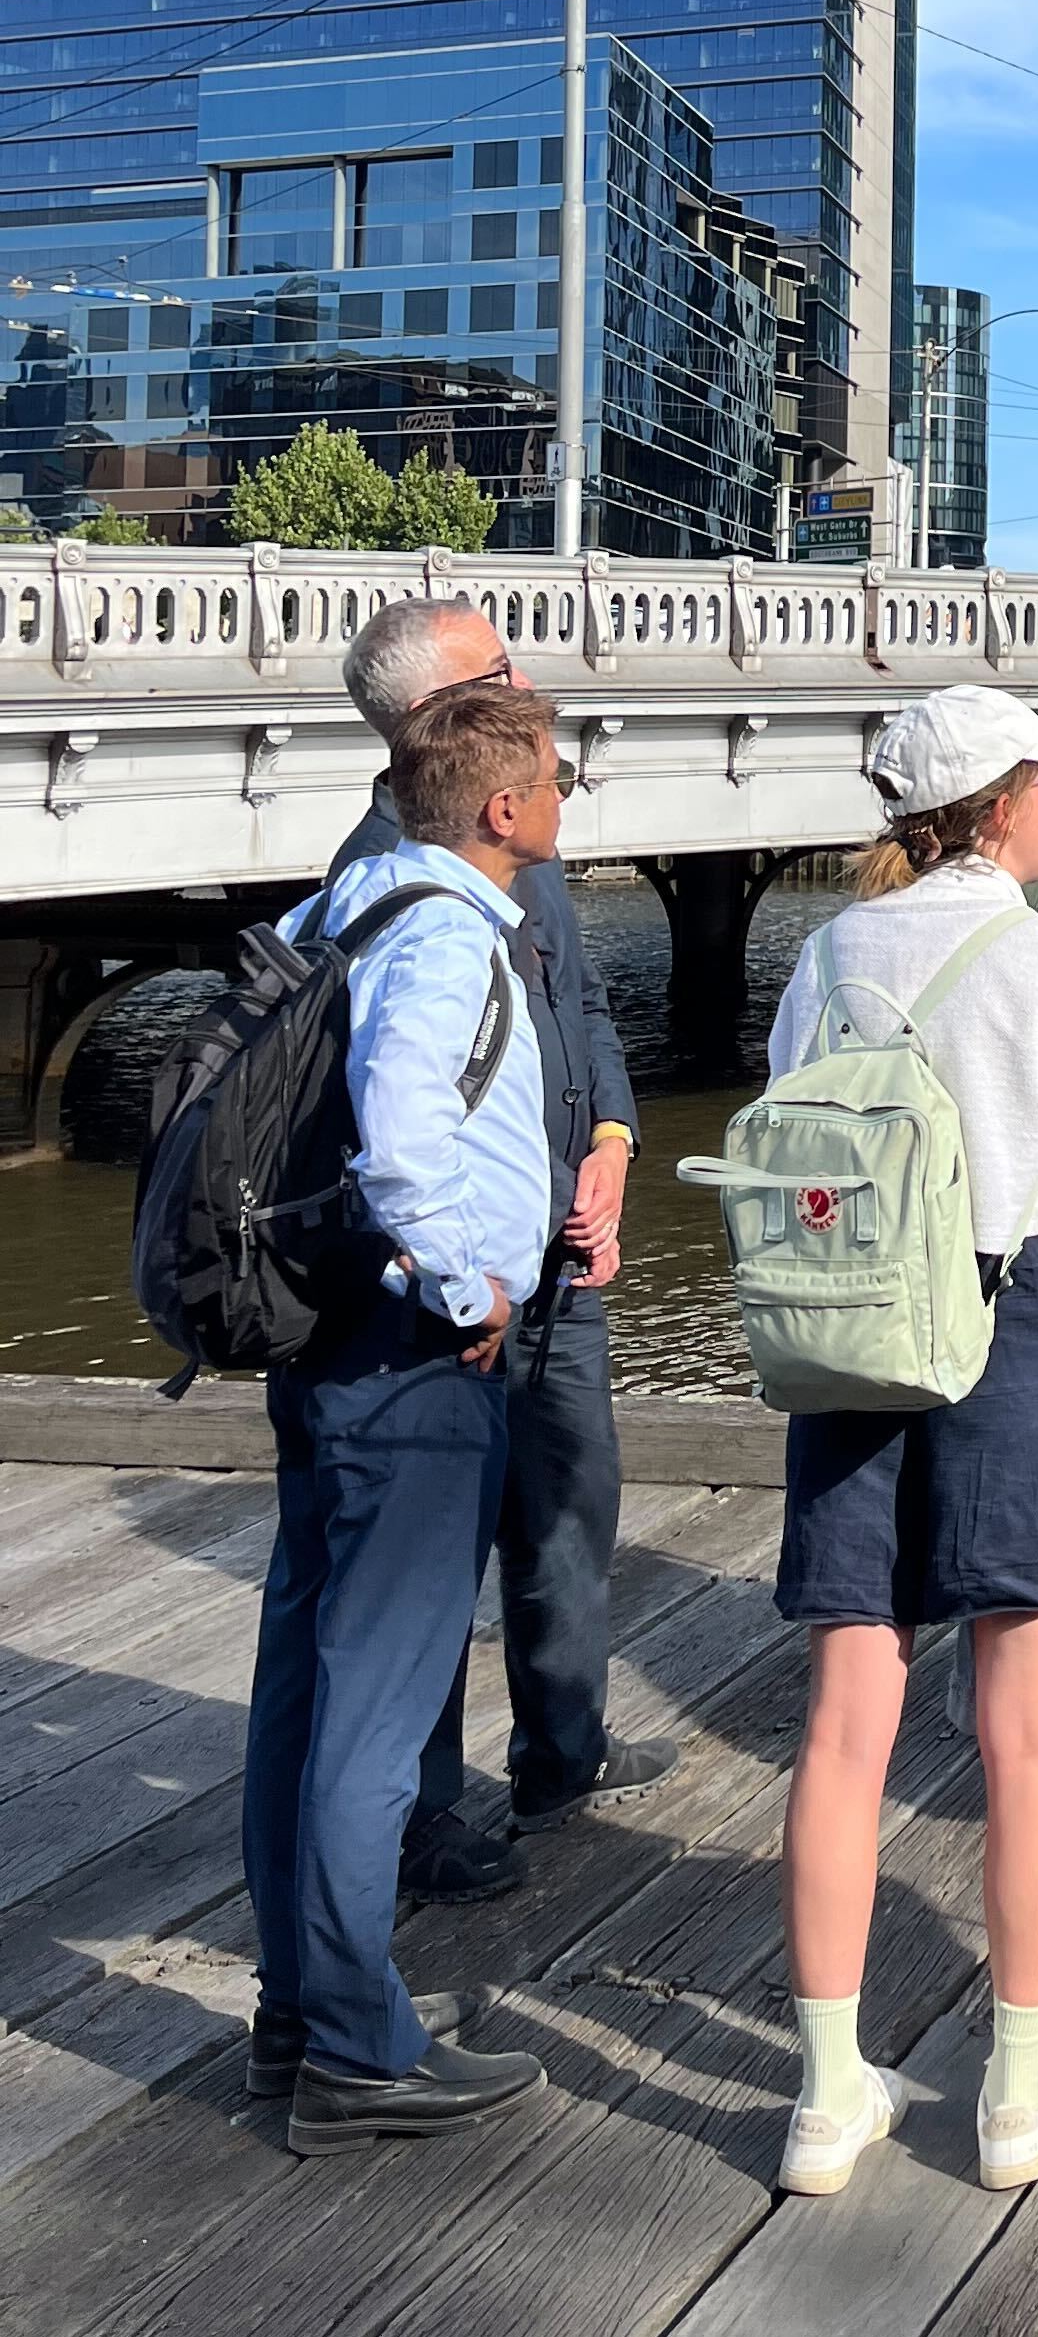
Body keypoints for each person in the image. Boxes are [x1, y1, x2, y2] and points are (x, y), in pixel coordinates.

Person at [765, 684, 1038, 2201]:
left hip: (857, 1324)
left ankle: (823, 2091)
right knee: (1028, 1725)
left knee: (846, 1721)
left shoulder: (829, 953)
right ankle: (1008, 2081)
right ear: (997, 808)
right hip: (1018, 1303)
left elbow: (794, 1121)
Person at [242, 676, 566, 2148]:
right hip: (406, 1361)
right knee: (374, 1711)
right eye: (556, 778)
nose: (566, 800)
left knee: (304, 1692)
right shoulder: (444, 931)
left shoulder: (343, 907)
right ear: (503, 809)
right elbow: (399, 1130)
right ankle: (360, 2051)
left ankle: (296, 2015)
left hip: (318, 1349)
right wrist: (469, 1293)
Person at [332, 593, 672, 1901]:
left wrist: (614, 1145)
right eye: (501, 667)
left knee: (571, 1505)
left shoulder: (518, 849)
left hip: (558, 1259)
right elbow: (394, 1123)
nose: (532, 677)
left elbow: (581, 1011)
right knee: (434, 1553)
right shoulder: (386, 877)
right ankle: (419, 1813)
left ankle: (562, 1754)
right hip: (453, 1284)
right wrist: (455, 1269)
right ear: (438, 717)